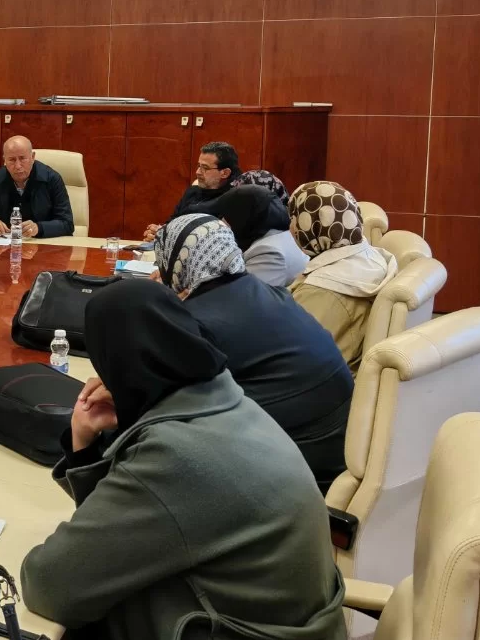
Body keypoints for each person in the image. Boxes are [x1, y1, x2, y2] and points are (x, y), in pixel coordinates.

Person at [20, 279, 354, 640]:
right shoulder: (225, 401)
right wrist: (86, 445)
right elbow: (125, 525)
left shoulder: (176, 456)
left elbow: (49, 584)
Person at [153, 214, 353, 489]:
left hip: (293, 475)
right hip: (339, 453)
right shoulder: (272, 292)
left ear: (176, 262)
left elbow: (163, 408)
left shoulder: (195, 322)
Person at [287, 181, 399, 372]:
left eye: (293, 219)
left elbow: (295, 357)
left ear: (308, 225)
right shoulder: (370, 258)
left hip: (318, 382)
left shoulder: (322, 290)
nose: (291, 228)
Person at [0, 135, 73, 238]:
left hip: (42, 243)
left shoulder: (52, 179)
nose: (18, 166)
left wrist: (39, 228)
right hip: (5, 244)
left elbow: (67, 224)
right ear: (4, 160)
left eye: (22, 158)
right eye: (12, 160)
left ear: (32, 157)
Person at [207, 183, 308, 287]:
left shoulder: (268, 251)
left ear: (242, 217)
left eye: (227, 215)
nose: (222, 220)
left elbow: (246, 292)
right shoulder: (285, 236)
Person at [142, 139, 238, 241]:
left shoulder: (234, 199)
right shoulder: (192, 191)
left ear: (225, 173)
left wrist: (167, 235)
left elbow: (213, 238)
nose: (198, 172)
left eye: (205, 168)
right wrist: (158, 233)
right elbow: (172, 223)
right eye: (199, 166)